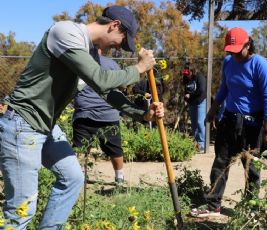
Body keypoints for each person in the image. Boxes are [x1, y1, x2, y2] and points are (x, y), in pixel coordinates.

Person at [0, 6, 164, 229]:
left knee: (72, 179)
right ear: (114, 25)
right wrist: (139, 68)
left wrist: (143, 114)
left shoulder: (90, 52)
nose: (119, 48)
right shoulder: (65, 32)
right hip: (23, 123)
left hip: (45, 126)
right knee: (21, 209)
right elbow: (101, 79)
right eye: (121, 41)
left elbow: (107, 92)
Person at [190, 27, 267, 217]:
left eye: (237, 50)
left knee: (251, 168)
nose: (233, 54)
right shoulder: (229, 62)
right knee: (220, 163)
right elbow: (224, 88)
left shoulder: (260, 65)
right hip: (229, 120)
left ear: (248, 44)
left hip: (253, 125)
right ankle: (213, 205)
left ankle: (251, 208)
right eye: (230, 50)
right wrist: (213, 111)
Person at [72, 48, 126, 186]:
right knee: (114, 148)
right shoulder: (112, 64)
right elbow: (122, 85)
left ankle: (80, 177)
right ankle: (119, 177)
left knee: (82, 148)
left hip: (85, 113)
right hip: (106, 113)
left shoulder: (77, 63)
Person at [182, 62, 207, 152]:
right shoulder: (186, 78)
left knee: (200, 122)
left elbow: (201, 90)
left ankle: (202, 144)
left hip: (200, 102)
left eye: (188, 73)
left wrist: (190, 96)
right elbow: (186, 90)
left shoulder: (199, 77)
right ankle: (196, 143)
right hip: (191, 103)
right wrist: (186, 99)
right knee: (194, 124)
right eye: (185, 74)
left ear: (192, 71)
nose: (187, 75)